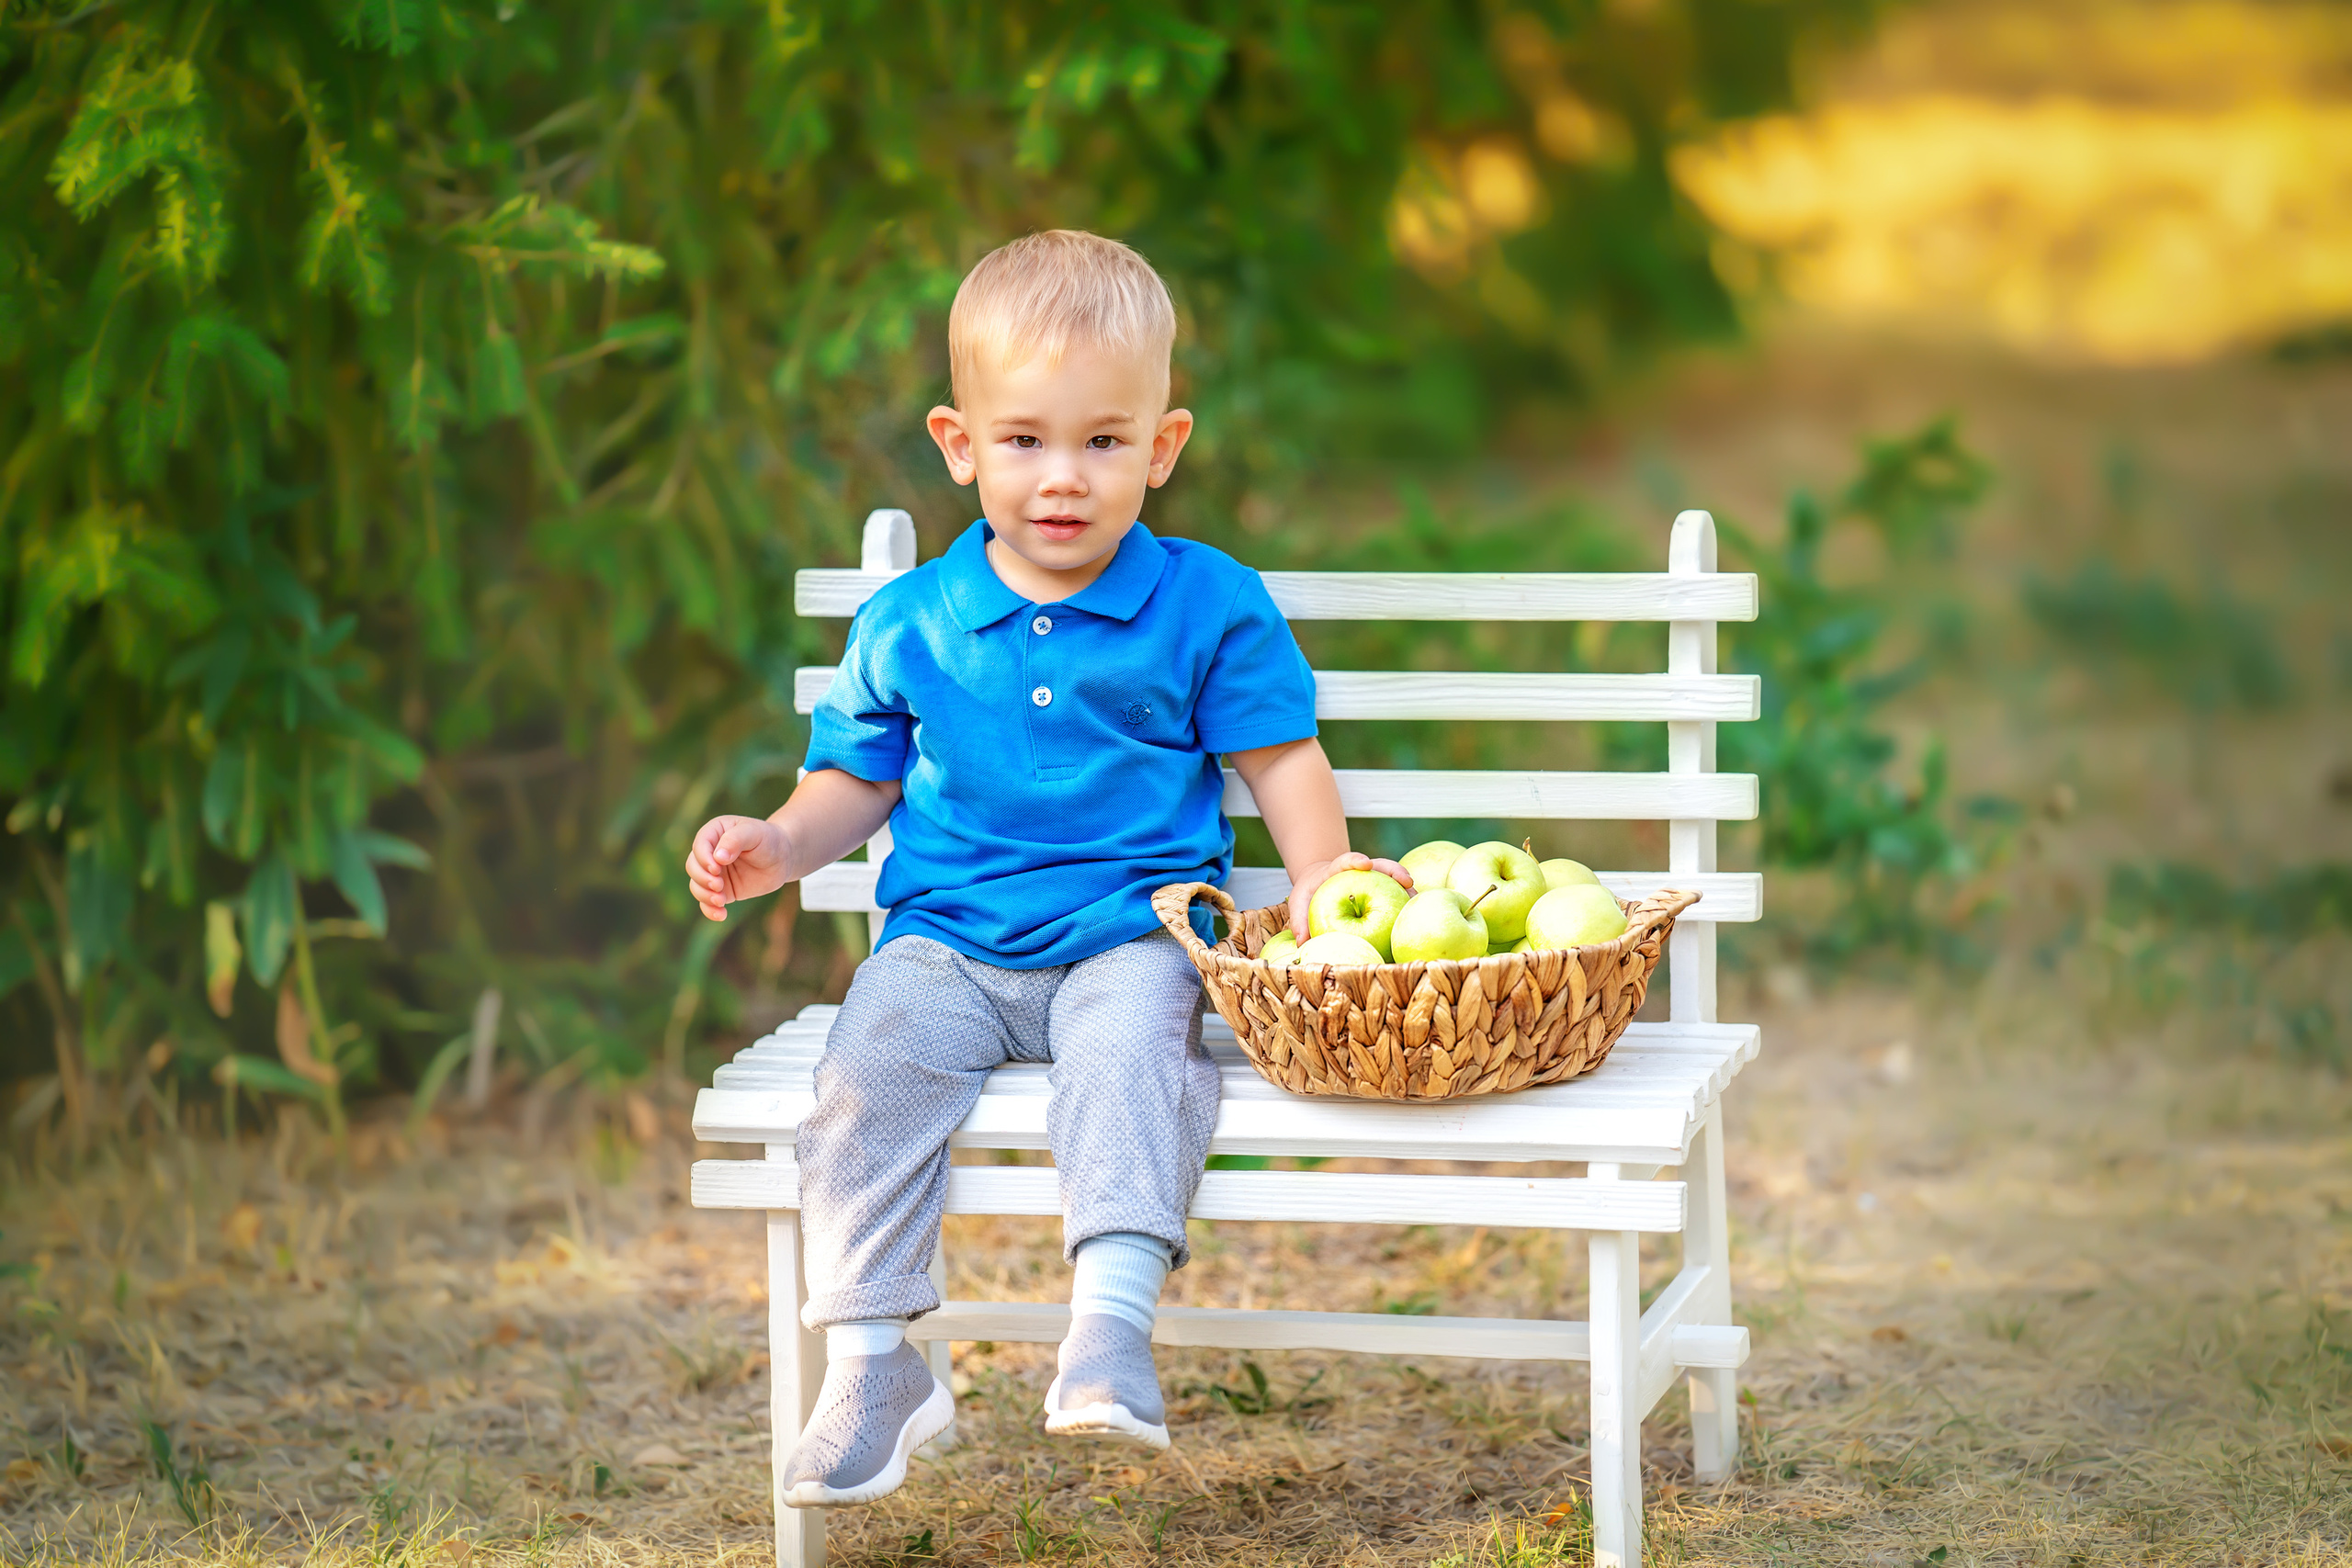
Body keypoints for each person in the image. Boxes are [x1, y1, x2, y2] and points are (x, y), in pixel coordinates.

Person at [682, 230, 1410, 1508]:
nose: (1062, 478)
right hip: (947, 944)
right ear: (961, 444)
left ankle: (1109, 1332)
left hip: (1128, 934)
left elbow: (1280, 759)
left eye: (1103, 442)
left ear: (1162, 448)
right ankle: (873, 1366)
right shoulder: (909, 621)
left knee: (1138, 1058)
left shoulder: (1207, 603)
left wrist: (1325, 880)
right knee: (865, 1075)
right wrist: (781, 846)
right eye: (1024, 441)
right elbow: (855, 782)